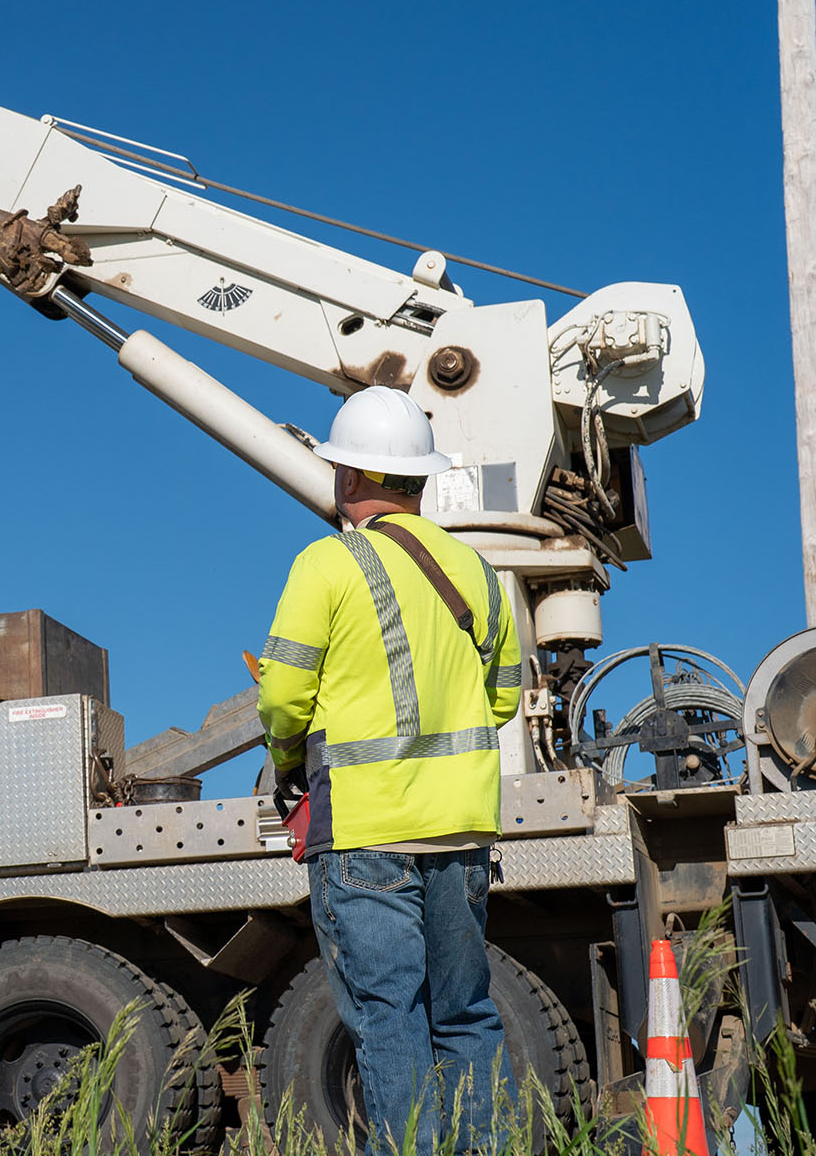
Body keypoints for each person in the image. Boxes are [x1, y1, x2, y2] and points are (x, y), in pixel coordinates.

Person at [258, 386, 524, 1156]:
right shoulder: (475, 569)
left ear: (348, 477)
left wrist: (285, 760)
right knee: (465, 1013)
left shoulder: (326, 563)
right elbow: (501, 698)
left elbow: (282, 694)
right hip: (461, 836)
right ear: (420, 479)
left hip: (367, 833)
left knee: (388, 1017)